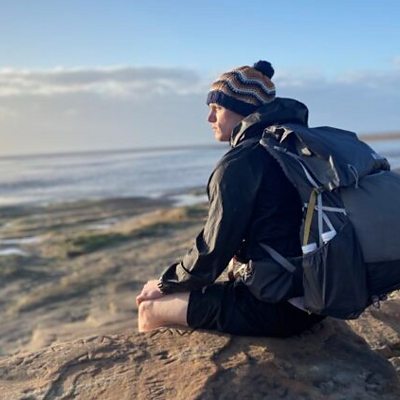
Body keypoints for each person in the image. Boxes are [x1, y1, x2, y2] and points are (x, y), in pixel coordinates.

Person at [136, 60, 324, 336]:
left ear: (244, 111)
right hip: (317, 296)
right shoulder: (294, 148)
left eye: (217, 108)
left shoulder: (241, 162)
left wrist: (165, 284)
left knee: (149, 308)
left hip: (275, 305)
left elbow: (213, 250)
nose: (209, 119)